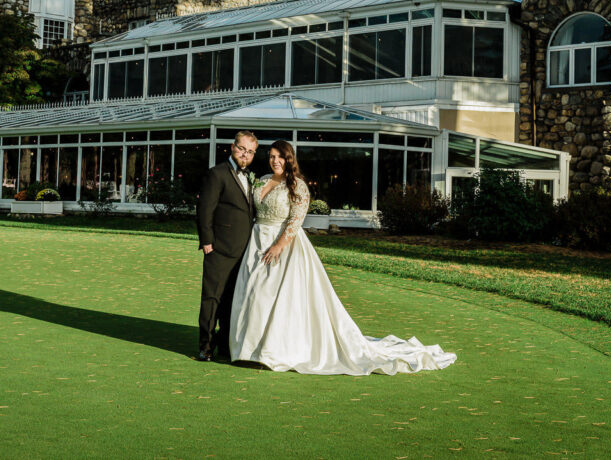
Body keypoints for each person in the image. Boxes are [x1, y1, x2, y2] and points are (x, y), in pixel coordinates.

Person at [229, 140, 457, 375]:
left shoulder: (297, 186)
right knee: (253, 293)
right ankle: (248, 350)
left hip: (283, 246)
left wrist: (279, 245)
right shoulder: (263, 180)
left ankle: (272, 351)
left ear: (290, 159)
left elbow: (296, 221)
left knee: (274, 296)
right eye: (272, 156)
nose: (275, 161)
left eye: (281, 157)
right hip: (257, 242)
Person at [195, 130, 257, 362]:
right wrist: (207, 242)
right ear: (232, 147)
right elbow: (204, 210)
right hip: (219, 249)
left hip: (244, 251)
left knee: (232, 301)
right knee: (213, 299)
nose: (245, 154)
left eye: (250, 152)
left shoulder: (251, 176)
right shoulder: (217, 174)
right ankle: (205, 346)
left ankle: (224, 344)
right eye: (242, 149)